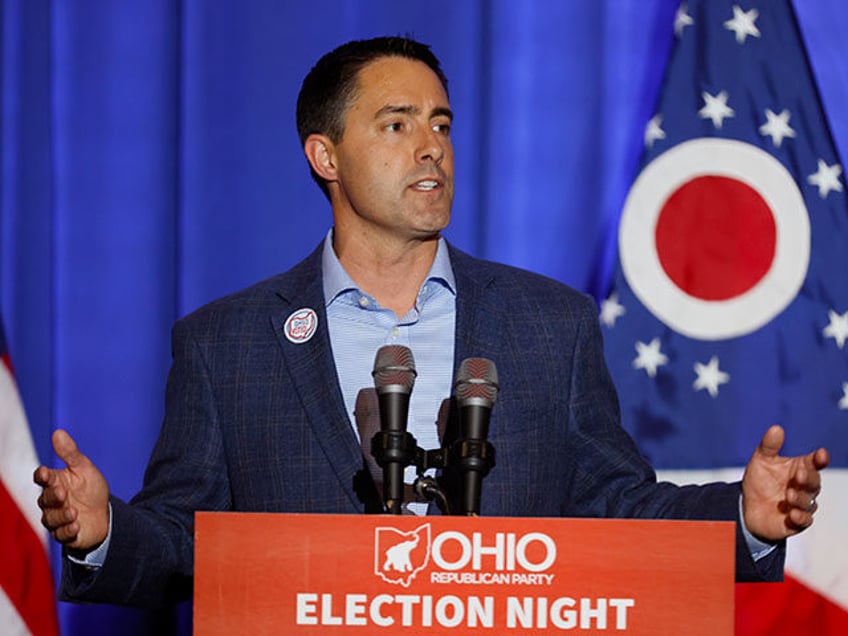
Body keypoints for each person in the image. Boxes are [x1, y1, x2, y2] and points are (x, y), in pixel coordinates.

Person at [35, 36, 830, 608]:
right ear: (325, 156)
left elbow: (617, 507)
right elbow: (185, 541)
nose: (431, 149)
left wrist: (741, 516)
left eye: (443, 124)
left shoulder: (550, 325)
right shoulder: (226, 343)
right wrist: (106, 530)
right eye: (397, 123)